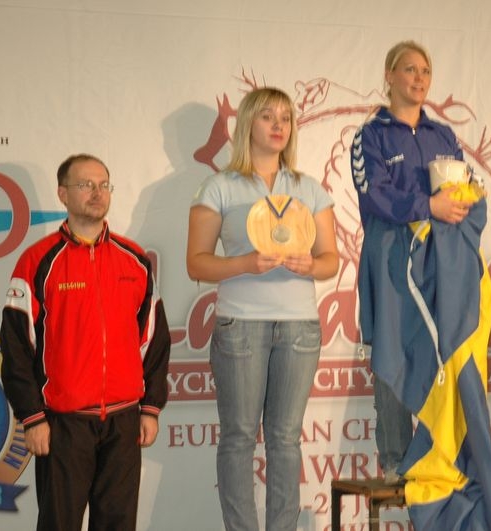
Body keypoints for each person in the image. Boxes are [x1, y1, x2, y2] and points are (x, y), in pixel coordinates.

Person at [186, 87, 338, 530]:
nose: (278, 126)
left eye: (286, 119)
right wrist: (246, 264)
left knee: (286, 440)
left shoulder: (309, 188)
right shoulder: (219, 185)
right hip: (241, 326)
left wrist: (312, 263)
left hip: (299, 328)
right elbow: (196, 262)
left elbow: (331, 261)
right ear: (247, 123)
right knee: (237, 439)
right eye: (268, 116)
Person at [0, 154, 171, 531]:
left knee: (117, 524)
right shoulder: (36, 262)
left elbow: (154, 340)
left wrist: (150, 407)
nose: (97, 193)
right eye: (86, 185)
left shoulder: (135, 260)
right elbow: (16, 348)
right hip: (63, 424)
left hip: (124, 422)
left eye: (103, 185)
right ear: (63, 193)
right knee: (59, 523)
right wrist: (32, 417)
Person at [351, 40, 474, 485]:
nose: (419, 79)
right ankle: (396, 459)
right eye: (409, 70)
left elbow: (464, 187)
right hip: (390, 257)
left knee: (444, 348)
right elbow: (375, 194)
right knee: (392, 350)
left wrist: (461, 203)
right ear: (389, 75)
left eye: (425, 71)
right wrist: (428, 205)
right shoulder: (371, 135)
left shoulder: (443, 135)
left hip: (439, 256)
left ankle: (444, 455)